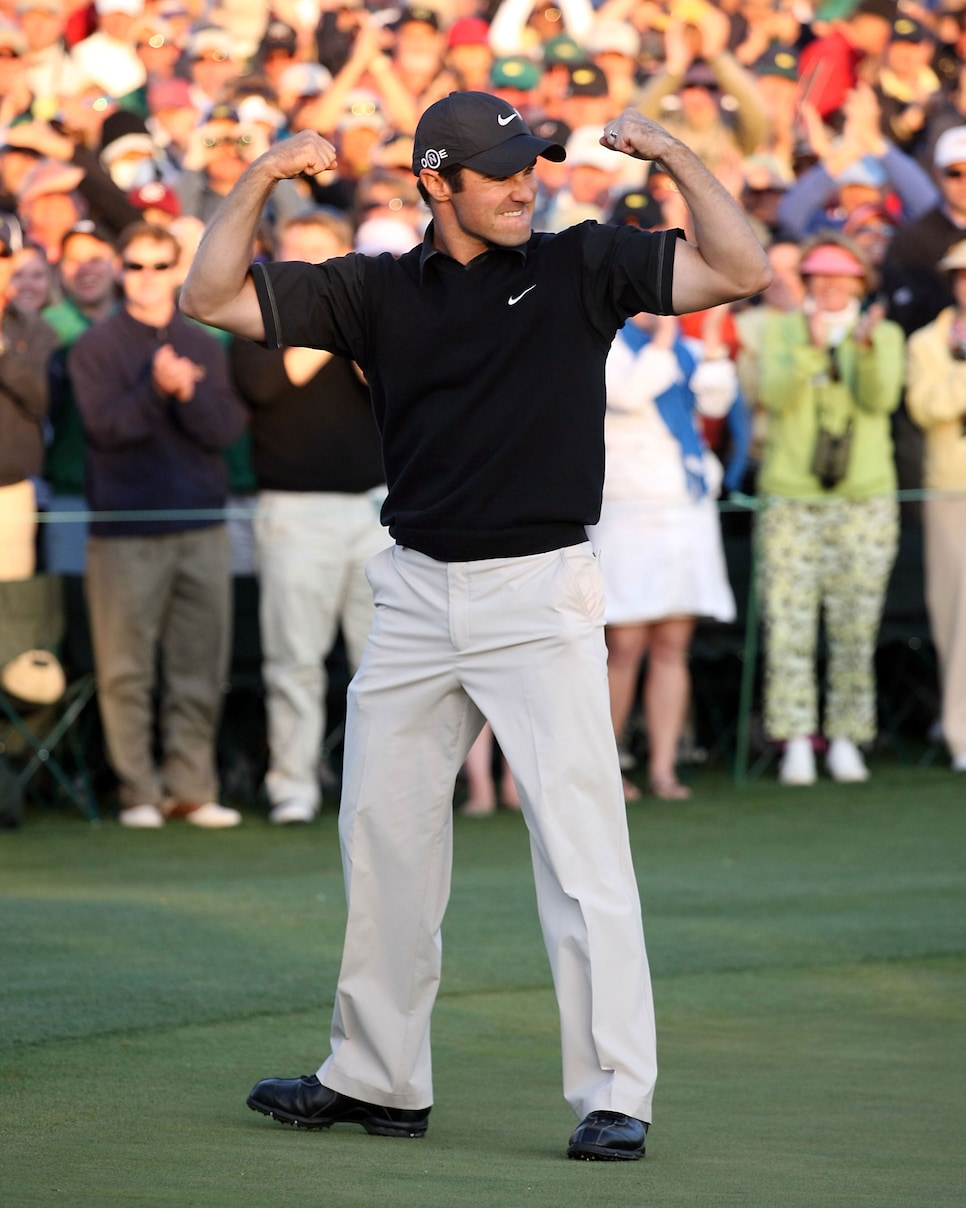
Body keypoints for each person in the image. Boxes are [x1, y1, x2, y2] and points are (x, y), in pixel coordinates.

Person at [180, 91, 770, 1160]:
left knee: (581, 851)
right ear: (434, 182)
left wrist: (674, 153)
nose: (523, 181)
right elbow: (207, 292)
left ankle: (615, 1090)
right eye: (499, 168)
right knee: (383, 839)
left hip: (539, 592)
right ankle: (378, 1077)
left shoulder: (582, 262)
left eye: (530, 163)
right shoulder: (374, 288)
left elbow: (740, 270)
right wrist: (265, 172)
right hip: (411, 590)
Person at [70, 221, 248, 828]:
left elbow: (225, 428)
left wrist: (185, 394)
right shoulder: (95, 346)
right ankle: (139, 792)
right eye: (136, 266)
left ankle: (190, 787)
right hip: (125, 531)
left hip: (201, 523)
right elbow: (106, 429)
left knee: (200, 665)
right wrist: (158, 388)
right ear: (122, 271)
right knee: (126, 669)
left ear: (176, 271)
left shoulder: (203, 342)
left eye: (158, 266)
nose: (146, 278)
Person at [229, 210, 391, 825]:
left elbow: (386, 385)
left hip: (375, 508)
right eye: (300, 256)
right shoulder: (257, 325)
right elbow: (273, 385)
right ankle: (292, 785)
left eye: (325, 256)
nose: (313, 268)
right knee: (293, 661)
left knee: (380, 663)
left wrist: (353, 321)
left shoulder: (367, 322)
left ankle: (378, 790)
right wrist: (324, 317)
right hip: (296, 512)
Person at [757, 233, 903, 786]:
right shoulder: (783, 331)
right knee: (789, 625)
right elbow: (772, 394)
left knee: (855, 625)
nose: (831, 287)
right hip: (792, 499)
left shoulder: (881, 333)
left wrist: (860, 349)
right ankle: (796, 739)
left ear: (861, 283)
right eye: (820, 278)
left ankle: (846, 737)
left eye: (842, 278)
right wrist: (814, 348)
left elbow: (880, 399)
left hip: (864, 499)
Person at [588, 308, 739, 801]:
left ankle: (663, 768)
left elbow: (716, 401)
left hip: (685, 513)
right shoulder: (603, 348)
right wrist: (665, 338)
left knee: (673, 646)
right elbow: (628, 397)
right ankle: (606, 770)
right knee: (623, 648)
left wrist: (712, 338)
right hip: (628, 514)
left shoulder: (685, 350)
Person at [905, 237, 966, 773]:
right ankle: (961, 733)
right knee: (957, 613)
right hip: (952, 489)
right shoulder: (928, 340)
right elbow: (927, 408)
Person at [0, 216, 58, 581]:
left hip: (9, 487)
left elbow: (41, 399)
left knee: (13, 603)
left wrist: (3, 352)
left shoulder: (34, 330)